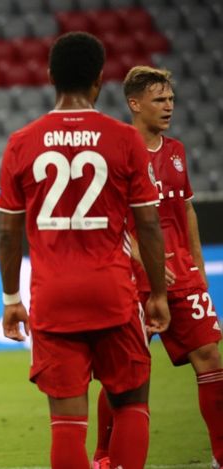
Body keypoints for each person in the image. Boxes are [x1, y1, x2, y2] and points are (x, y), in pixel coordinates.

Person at [0, 32, 170, 469]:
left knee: (67, 421)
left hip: (53, 297)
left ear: (50, 76)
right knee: (131, 402)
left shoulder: (22, 141)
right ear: (99, 79)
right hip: (112, 292)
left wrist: (12, 299)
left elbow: (8, 232)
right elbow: (149, 224)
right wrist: (158, 293)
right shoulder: (124, 138)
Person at [92, 65, 223, 469]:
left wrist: (198, 266)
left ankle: (221, 455)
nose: (168, 106)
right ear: (135, 104)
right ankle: (103, 455)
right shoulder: (115, 150)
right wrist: (142, 257)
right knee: (126, 373)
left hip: (181, 271)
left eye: (170, 99)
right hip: (132, 277)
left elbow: (186, 210)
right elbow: (108, 217)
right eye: (159, 99)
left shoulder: (176, 151)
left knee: (210, 357)